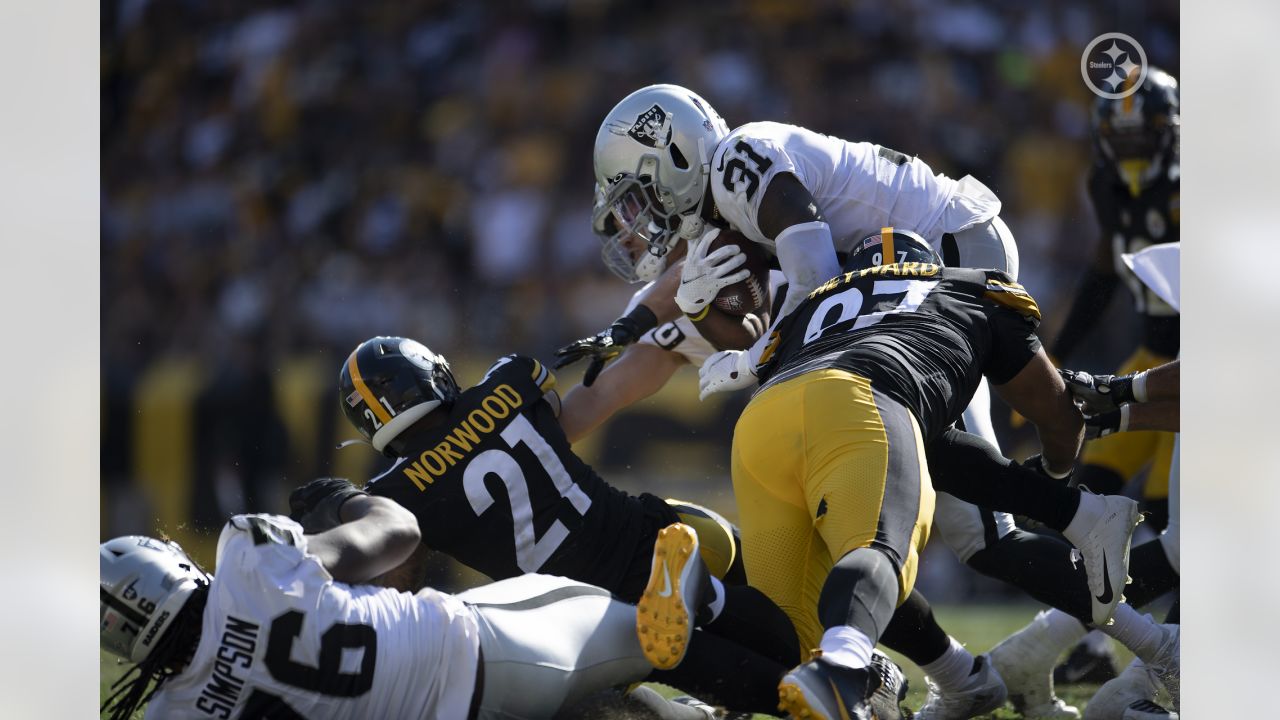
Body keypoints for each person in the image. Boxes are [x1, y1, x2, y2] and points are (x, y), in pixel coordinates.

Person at [718, 230, 1160, 718]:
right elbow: (1056, 415)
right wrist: (1059, 481)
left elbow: (943, 451)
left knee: (786, 636)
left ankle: (691, 639)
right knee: (876, 548)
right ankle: (844, 668)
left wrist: (1064, 509)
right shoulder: (966, 286)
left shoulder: (808, 311)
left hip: (759, 424)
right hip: (862, 399)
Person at [322, 335, 795, 712]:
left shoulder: (395, 494)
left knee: (626, 686)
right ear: (428, 374)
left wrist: (347, 504)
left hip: (582, 614)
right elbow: (554, 415)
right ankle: (808, 640)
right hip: (638, 536)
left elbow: (398, 590)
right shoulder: (508, 384)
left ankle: (752, 698)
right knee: (747, 583)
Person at [100, 491, 722, 719]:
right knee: (617, 621)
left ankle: (689, 713)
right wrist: (342, 499)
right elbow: (397, 530)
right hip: (482, 651)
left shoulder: (174, 712)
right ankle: (671, 613)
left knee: (599, 709)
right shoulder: (248, 557)